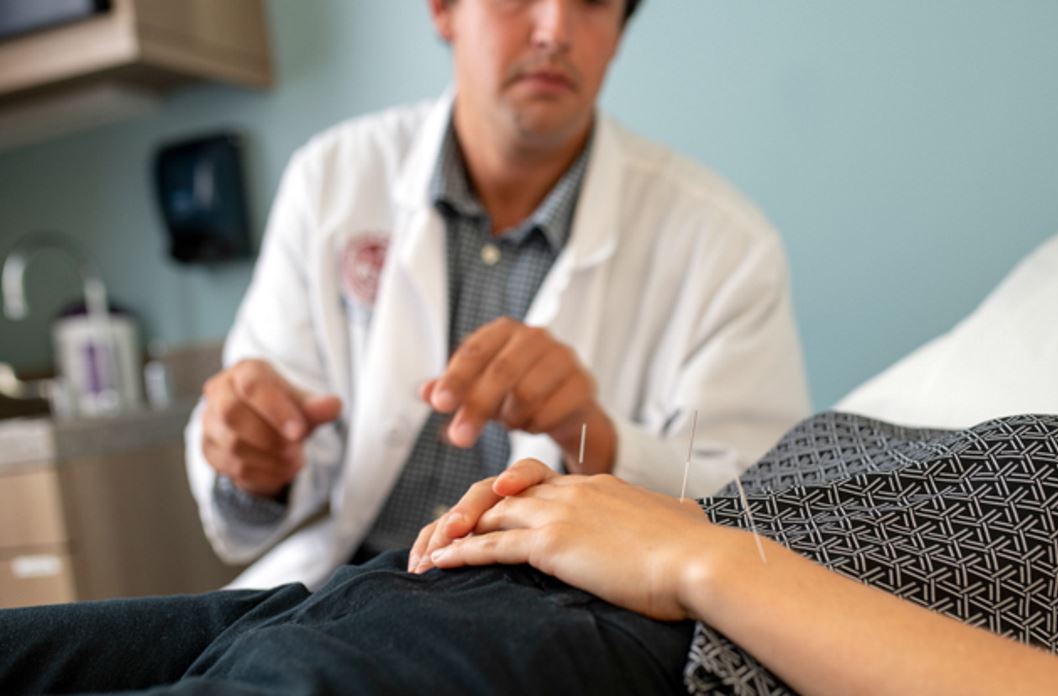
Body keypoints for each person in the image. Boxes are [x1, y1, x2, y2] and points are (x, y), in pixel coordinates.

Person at [2, 208, 1058, 695]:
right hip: (372, 594)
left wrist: (698, 556)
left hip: (607, 658)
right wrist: (598, 496)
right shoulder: (1023, 437)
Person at [185, 0, 810, 590]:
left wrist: (594, 437)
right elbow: (258, 446)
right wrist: (254, 465)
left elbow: (763, 523)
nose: (554, 29)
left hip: (543, 616)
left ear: (619, 29)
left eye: (593, 2)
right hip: (333, 593)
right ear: (441, 9)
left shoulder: (727, 245)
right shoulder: (331, 180)